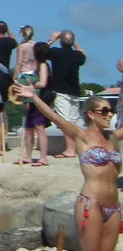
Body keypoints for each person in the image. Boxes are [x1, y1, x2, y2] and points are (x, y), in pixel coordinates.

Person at [17, 86, 121, 251]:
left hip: (114, 206)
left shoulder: (113, 137)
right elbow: (54, 116)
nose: (108, 115)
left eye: (110, 111)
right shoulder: (81, 136)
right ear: (91, 114)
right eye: (103, 111)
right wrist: (34, 97)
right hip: (90, 203)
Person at [45, 30, 87, 158]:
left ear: (61, 42)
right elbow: (83, 54)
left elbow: (42, 50)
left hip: (61, 91)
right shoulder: (77, 56)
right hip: (74, 91)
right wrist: (74, 42)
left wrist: (53, 39)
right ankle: (74, 149)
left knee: (65, 122)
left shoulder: (56, 53)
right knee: (73, 122)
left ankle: (70, 150)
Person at [16, 41, 52, 166]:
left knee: (39, 128)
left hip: (40, 99)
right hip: (34, 99)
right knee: (29, 128)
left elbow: (43, 83)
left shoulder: (43, 65)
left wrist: (28, 85)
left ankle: (43, 158)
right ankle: (28, 156)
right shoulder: (39, 65)